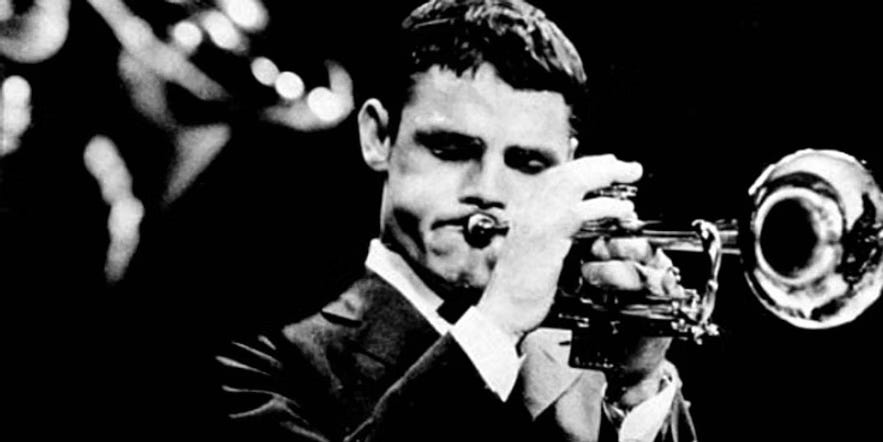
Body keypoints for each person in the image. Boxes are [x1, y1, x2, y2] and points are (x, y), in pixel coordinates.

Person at [218, 1, 697, 441]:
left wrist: (638, 386)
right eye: (451, 149)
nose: (488, 190)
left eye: (528, 163)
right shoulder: (258, 353)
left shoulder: (582, 370)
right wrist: (498, 322)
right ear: (378, 137)